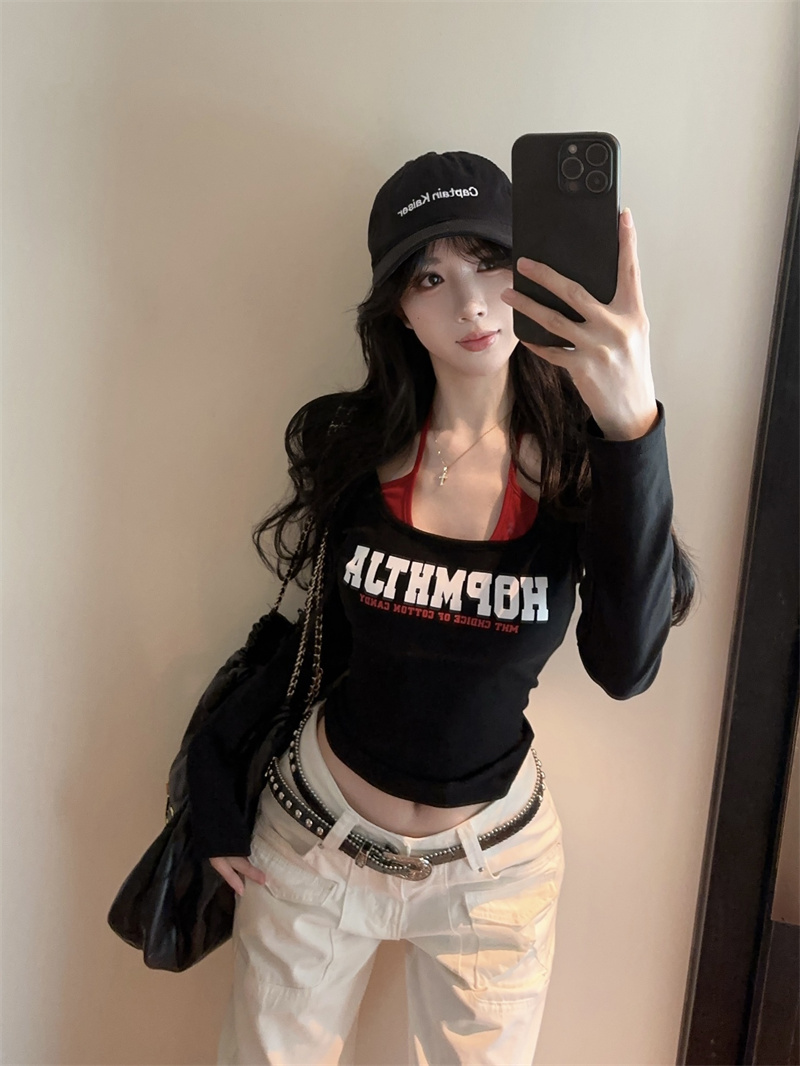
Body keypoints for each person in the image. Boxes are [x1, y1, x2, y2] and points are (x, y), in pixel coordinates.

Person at [199, 150, 696, 1064]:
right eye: (430, 276)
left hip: (492, 874)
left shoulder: (583, 467)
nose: (470, 303)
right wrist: (211, 783)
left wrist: (632, 427)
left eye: (490, 264)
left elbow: (625, 669)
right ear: (398, 306)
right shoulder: (349, 444)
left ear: (530, 273)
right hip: (313, 847)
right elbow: (318, 637)